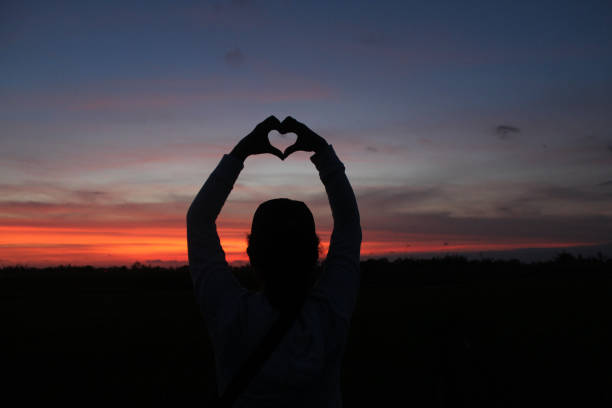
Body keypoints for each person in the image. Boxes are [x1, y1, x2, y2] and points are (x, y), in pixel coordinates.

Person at [186, 115, 362, 407]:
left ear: (252, 255)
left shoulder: (230, 315)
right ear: (315, 254)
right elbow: (348, 223)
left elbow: (199, 221)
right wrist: (322, 152)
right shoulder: (330, 314)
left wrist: (241, 152)